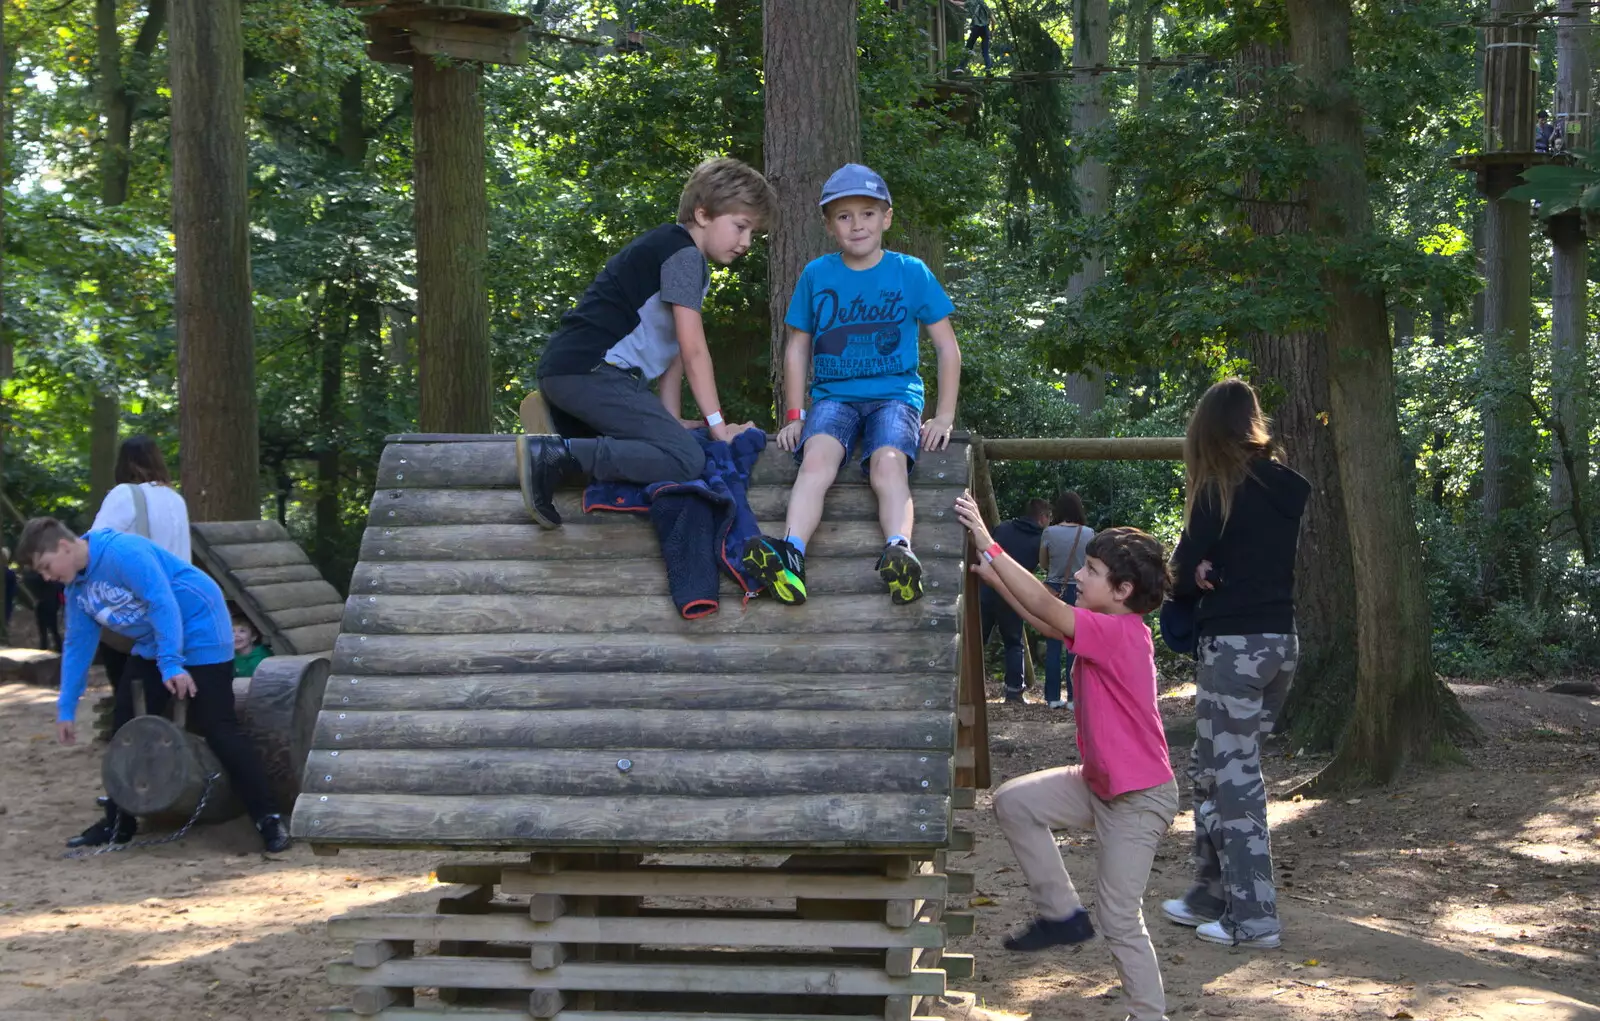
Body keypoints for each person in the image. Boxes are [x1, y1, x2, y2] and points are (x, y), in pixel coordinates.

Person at [953, 491, 1178, 1021]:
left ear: (1122, 592)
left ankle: (1150, 1015)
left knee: (1120, 917)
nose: (1079, 575)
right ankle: (1061, 915)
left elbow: (1050, 609)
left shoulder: (1120, 633)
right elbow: (1047, 623)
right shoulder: (1102, 628)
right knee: (1014, 802)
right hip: (1098, 782)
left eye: (1092, 571)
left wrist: (989, 543)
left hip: (1139, 798)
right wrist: (996, 580)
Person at [741, 163, 962, 607]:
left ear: (887, 218)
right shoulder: (816, 275)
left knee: (888, 462)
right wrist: (793, 414)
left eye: (867, 213)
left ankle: (899, 551)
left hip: (894, 397)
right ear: (828, 225)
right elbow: (797, 349)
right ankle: (791, 557)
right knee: (816, 459)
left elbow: (947, 348)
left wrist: (944, 415)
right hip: (834, 396)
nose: (856, 224)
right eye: (844, 216)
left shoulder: (910, 272)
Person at [518, 157, 775, 529]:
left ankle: (565, 426)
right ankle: (556, 454)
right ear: (703, 214)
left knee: (656, 444)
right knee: (686, 459)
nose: (746, 242)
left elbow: (672, 354)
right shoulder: (684, 256)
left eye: (753, 233)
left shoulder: (676, 253)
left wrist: (670, 419)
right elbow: (693, 350)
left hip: (571, 371)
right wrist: (719, 428)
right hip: (593, 372)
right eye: (740, 227)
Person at [15, 517, 291, 853]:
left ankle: (267, 816)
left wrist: (172, 664)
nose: (47, 577)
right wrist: (66, 708)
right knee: (126, 728)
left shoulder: (122, 553)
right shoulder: (76, 590)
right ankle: (120, 822)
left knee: (218, 726)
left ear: (63, 546)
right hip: (155, 641)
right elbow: (76, 645)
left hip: (201, 628)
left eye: (46, 567)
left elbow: (163, 602)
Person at [1160, 378, 1308, 950]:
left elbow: (1178, 568)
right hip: (1280, 644)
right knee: (1210, 768)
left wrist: (1193, 576)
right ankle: (1211, 894)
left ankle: (1255, 919)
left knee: (1234, 782)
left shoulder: (1218, 488)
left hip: (1235, 648)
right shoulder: (1284, 487)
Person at [91, 435, 192, 693]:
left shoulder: (124, 494)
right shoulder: (175, 498)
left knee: (128, 693)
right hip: (177, 606)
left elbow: (95, 546)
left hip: (137, 610)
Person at [980, 498, 1049, 703]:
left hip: (987, 589)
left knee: (977, 641)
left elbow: (986, 551)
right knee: (1013, 643)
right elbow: (1045, 566)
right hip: (1012, 594)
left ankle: (968, 684)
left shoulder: (1004, 528)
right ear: (1043, 517)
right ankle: (1013, 691)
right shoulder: (1041, 539)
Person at [1039, 490, 1094, 710]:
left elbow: (1043, 563)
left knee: (1053, 645)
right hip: (1081, 589)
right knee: (1077, 643)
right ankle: (1074, 697)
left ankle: (1052, 697)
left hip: (1054, 590)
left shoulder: (1049, 532)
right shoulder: (1089, 533)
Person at [231, 608, 273, 679]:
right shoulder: (231, 656)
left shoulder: (261, 658)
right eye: (232, 631)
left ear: (253, 637)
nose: (236, 635)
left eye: (242, 631)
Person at [965, 0, 992, 71]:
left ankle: (960, 67)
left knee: (968, 48)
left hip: (976, 27)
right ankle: (988, 67)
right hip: (985, 28)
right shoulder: (985, 6)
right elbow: (994, 20)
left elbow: (960, 4)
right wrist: (992, 31)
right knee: (985, 51)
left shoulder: (971, 2)